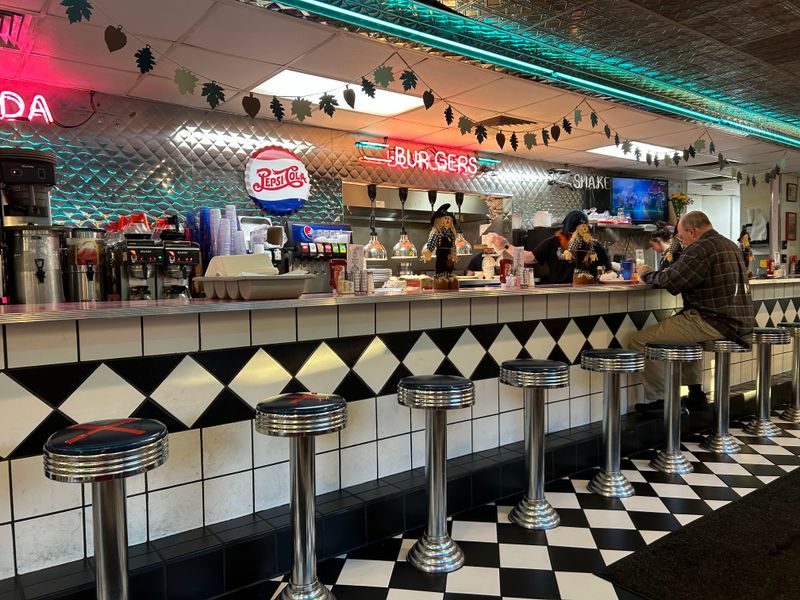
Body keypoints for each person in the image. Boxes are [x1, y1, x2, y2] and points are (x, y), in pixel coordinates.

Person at [632, 211, 755, 415]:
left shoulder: (701, 247)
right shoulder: (729, 244)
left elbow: (671, 280)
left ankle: (663, 400)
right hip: (736, 321)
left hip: (715, 321)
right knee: (686, 336)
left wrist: (644, 273)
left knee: (640, 340)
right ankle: (695, 394)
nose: (681, 240)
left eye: (681, 235)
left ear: (691, 231)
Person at [530, 210, 611, 284]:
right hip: (586, 292)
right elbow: (609, 273)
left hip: (557, 294)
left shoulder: (552, 242)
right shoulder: (596, 245)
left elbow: (530, 258)